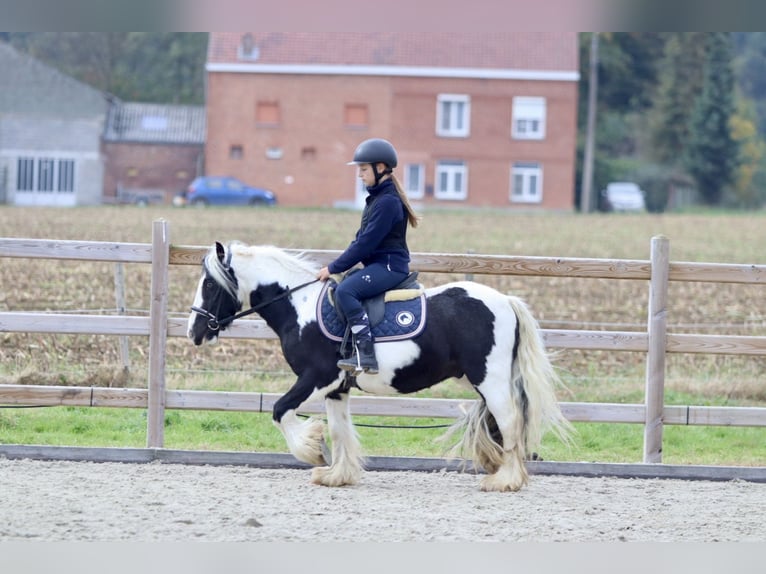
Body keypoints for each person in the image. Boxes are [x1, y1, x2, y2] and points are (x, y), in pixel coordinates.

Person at [317, 138, 420, 374]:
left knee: (346, 291)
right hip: (380, 265)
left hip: (390, 267)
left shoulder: (387, 203)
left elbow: (365, 244)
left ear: (380, 167)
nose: (359, 175)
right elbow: (360, 239)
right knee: (345, 285)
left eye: (363, 169)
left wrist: (333, 268)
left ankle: (366, 354)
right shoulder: (377, 200)